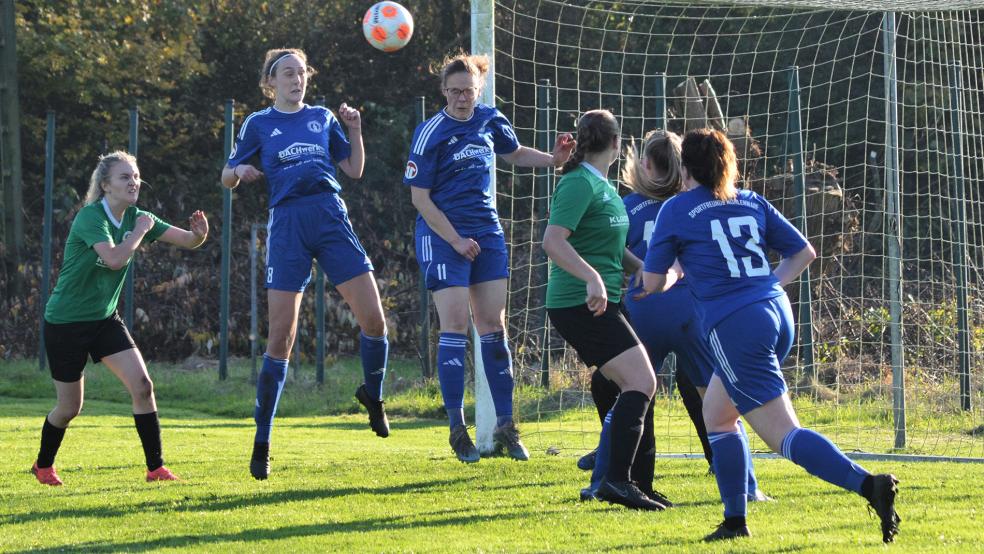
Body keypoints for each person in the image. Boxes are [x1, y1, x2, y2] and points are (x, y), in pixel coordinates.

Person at [640, 128, 900, 542]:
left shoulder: (675, 209)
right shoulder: (750, 200)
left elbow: (652, 283)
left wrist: (665, 273)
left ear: (685, 168)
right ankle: (734, 521)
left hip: (736, 326)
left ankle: (870, 485)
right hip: (776, 311)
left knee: (783, 435)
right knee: (718, 415)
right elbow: (804, 253)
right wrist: (767, 287)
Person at [222, 48, 390, 481]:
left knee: (374, 322)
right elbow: (226, 175)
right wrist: (240, 167)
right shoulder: (258, 123)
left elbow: (353, 169)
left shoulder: (322, 117)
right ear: (271, 82)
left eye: (302, 73)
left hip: (330, 216)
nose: (297, 79)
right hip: (289, 225)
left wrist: (354, 128)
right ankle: (262, 441)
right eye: (288, 74)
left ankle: (373, 395)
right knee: (281, 338)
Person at [404, 53, 574, 463]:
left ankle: (506, 427)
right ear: (444, 91)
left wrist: (553, 161)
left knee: (492, 326)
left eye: (469, 91)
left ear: (479, 89)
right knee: (456, 325)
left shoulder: (489, 118)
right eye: (455, 91)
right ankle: (456, 429)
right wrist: (457, 239)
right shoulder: (431, 133)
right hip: (444, 236)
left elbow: (513, 154)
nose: (463, 98)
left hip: (487, 233)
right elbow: (419, 198)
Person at [581, 130, 768, 503]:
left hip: (644, 310)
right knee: (720, 400)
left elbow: (610, 254)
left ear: (644, 163)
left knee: (629, 396)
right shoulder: (696, 205)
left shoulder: (626, 207)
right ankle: (747, 486)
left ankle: (602, 480)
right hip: (692, 313)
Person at [34, 151, 208, 486]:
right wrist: (140, 232)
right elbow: (114, 258)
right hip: (66, 323)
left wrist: (199, 234)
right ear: (105, 186)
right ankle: (43, 466)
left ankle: (156, 469)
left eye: (136, 176)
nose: (134, 182)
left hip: (103, 320)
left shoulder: (138, 217)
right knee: (69, 408)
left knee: (143, 387)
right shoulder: (91, 218)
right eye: (125, 177)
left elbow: (188, 241)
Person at [542, 109, 667, 510]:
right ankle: (616, 481)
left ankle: (638, 483)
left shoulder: (604, 187)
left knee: (628, 385)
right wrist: (593, 278)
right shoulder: (578, 184)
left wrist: (643, 271)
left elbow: (613, 247)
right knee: (642, 382)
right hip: (578, 303)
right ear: (617, 143)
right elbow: (553, 242)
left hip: (606, 299)